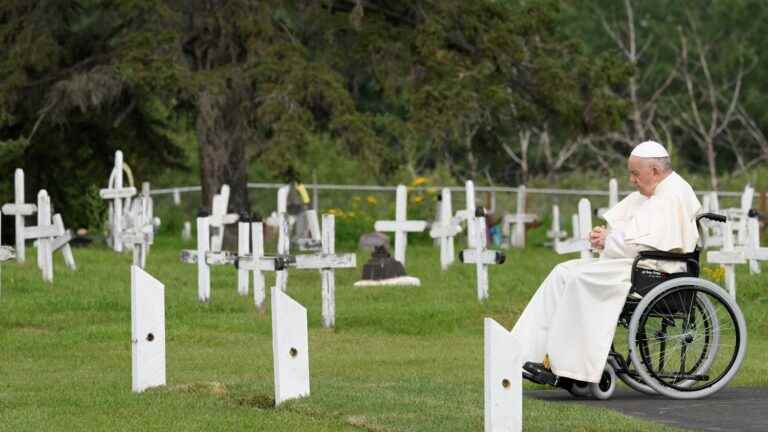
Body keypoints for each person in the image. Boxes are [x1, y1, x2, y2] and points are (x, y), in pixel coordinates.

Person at [510, 140, 701, 384]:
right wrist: (606, 238)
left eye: (635, 173)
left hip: (657, 269)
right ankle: (521, 353)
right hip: (638, 263)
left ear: (654, 171)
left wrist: (609, 240)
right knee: (564, 271)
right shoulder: (654, 190)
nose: (631, 179)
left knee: (581, 279)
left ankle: (570, 370)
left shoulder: (672, 195)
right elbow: (632, 233)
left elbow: (648, 244)